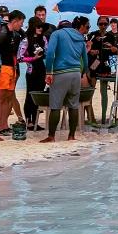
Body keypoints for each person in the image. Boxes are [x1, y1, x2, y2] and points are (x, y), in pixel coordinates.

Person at [42, 15, 89, 143]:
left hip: (60, 73)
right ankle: (71, 136)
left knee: (55, 105)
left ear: (59, 27)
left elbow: (50, 53)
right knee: (74, 105)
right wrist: (82, 72)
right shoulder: (80, 37)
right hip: (76, 74)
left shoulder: (56, 34)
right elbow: (85, 60)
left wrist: (48, 72)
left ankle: (51, 136)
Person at [0, 9, 26, 134]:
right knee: (1, 98)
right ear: (14, 21)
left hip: (12, 68)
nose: (21, 25)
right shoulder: (2, 33)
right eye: (21, 22)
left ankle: (4, 125)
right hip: (3, 68)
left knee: (8, 98)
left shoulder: (15, 34)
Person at [18, 18, 48, 131]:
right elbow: (20, 58)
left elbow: (48, 51)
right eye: (38, 26)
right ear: (33, 27)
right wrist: (33, 58)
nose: (40, 29)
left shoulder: (44, 38)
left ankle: (35, 121)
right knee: (29, 96)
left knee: (38, 96)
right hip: (31, 71)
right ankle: (28, 121)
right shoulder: (26, 40)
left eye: (41, 27)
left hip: (42, 70)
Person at [87, 15, 118, 123]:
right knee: (90, 92)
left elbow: (114, 52)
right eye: (101, 24)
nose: (103, 26)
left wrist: (112, 48)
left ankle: (104, 118)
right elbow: (86, 48)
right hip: (93, 65)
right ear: (98, 24)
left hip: (105, 66)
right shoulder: (92, 35)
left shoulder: (110, 36)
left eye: (105, 24)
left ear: (108, 24)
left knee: (104, 92)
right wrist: (91, 51)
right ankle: (91, 118)